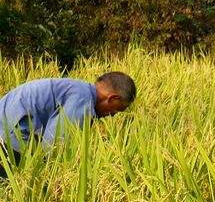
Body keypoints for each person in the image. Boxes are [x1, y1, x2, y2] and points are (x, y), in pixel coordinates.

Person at [0, 72, 136, 176]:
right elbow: (54, 145)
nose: (112, 115)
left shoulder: (79, 89)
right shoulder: (83, 102)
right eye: (117, 110)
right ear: (112, 98)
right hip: (11, 135)